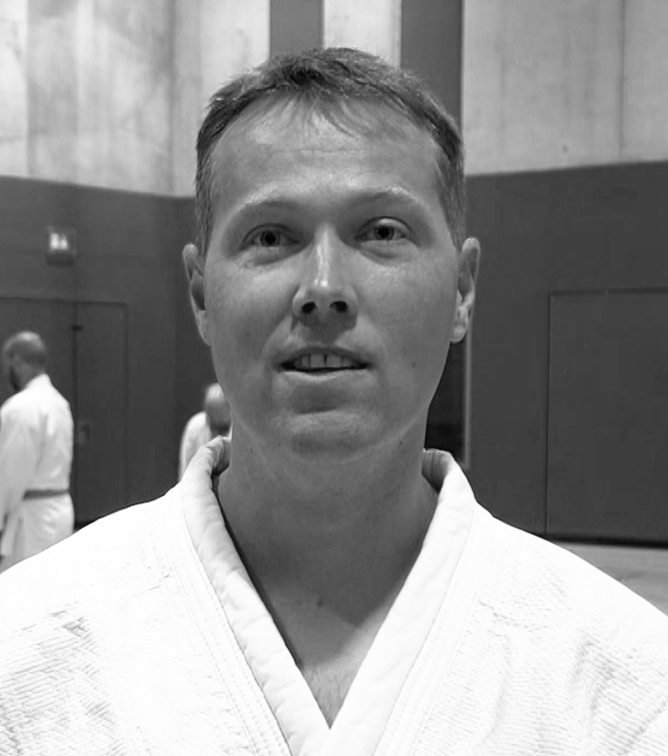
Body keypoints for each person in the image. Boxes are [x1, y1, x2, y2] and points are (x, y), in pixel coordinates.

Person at [1, 48, 667, 754]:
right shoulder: (23, 655)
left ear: (462, 290)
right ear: (201, 295)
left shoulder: (630, 687)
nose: (323, 288)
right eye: (270, 237)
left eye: (382, 232)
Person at [0, 331, 74, 574]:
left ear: (17, 361)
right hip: (60, 511)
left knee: (23, 588)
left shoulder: (20, 408)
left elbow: (10, 475)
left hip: (31, 523)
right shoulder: (60, 403)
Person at [178, 382, 231, 479]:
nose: (217, 435)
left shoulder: (243, 433)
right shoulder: (195, 428)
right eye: (213, 426)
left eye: (222, 428)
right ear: (206, 415)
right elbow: (185, 475)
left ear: (232, 412)